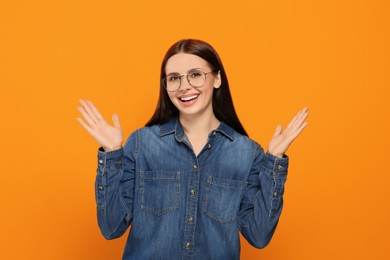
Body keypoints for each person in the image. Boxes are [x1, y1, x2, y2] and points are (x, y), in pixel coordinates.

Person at [77, 39, 308, 260]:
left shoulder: (247, 153)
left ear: (217, 79)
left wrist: (274, 163)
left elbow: (258, 236)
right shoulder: (141, 144)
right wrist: (111, 154)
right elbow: (111, 227)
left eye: (196, 74)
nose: (184, 86)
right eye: (174, 78)